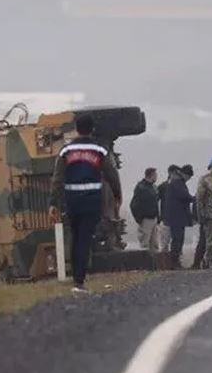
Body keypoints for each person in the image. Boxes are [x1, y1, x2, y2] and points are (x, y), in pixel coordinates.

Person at [49, 113, 122, 293]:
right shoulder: (100, 150)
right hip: (92, 200)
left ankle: (77, 278)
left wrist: (53, 203)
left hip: (72, 200)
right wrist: (117, 195)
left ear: (76, 129)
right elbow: (112, 174)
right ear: (92, 129)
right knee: (85, 237)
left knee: (75, 237)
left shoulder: (66, 151)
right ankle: (80, 280)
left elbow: (57, 178)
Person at [164, 164, 195, 269]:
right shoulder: (178, 182)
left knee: (178, 239)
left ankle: (175, 262)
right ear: (185, 174)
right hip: (177, 217)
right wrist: (194, 198)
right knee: (177, 239)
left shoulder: (175, 181)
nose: (188, 179)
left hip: (175, 216)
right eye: (189, 177)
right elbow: (184, 196)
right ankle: (174, 262)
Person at [195, 157, 212, 269]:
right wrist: (200, 214)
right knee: (210, 240)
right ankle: (209, 261)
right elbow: (199, 198)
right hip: (209, 214)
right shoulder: (205, 180)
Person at [130, 168, 159, 255]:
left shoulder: (153, 187)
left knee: (154, 244)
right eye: (155, 175)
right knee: (144, 243)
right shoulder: (141, 187)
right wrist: (139, 218)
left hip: (154, 218)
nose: (156, 177)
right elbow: (134, 204)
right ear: (151, 175)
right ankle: (144, 264)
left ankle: (154, 266)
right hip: (145, 219)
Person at [156, 165, 179, 266]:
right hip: (165, 218)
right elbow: (155, 200)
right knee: (164, 244)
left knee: (175, 242)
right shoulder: (163, 187)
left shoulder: (177, 185)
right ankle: (163, 264)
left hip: (174, 219)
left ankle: (172, 263)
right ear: (170, 173)